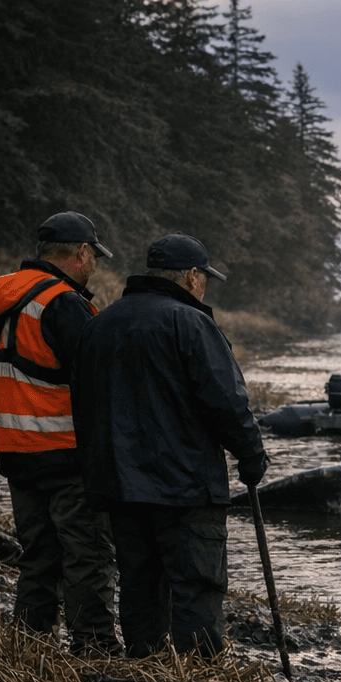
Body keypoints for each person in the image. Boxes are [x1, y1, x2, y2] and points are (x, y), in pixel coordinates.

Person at [72, 234, 267, 658]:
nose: (204, 286)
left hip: (119, 485)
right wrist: (251, 456)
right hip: (186, 487)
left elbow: (83, 406)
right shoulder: (192, 323)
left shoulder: (100, 323)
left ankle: (146, 669)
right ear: (193, 276)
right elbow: (226, 402)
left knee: (140, 583)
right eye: (204, 278)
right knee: (197, 586)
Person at [0, 211, 120, 655]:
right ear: (80, 252)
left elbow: (1, 362)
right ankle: (94, 647)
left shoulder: (2, 300)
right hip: (62, 451)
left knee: (38, 557)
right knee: (87, 555)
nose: (94, 264)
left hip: (14, 450)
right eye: (93, 255)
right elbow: (96, 376)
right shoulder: (63, 302)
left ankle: (28, 646)